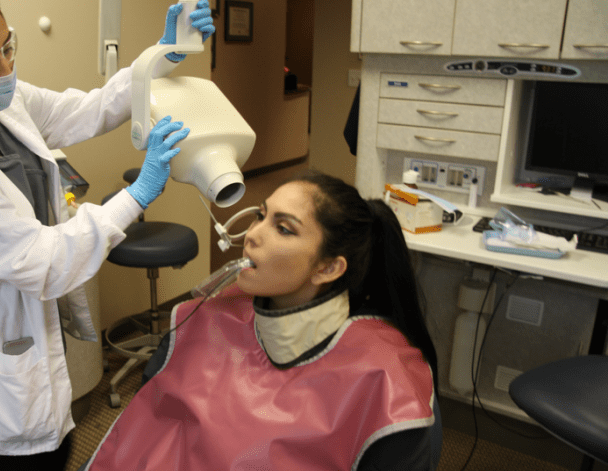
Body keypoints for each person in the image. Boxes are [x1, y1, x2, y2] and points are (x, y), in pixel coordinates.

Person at [0, 0, 214, 468]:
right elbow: (45, 262)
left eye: (8, 46)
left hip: (32, 341)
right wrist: (136, 196)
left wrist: (158, 57)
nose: (5, 67)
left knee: (55, 446)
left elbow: (87, 110)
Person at [85, 170, 441, 471]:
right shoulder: (204, 316)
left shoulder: (384, 383)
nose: (253, 235)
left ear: (328, 267)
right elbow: (147, 424)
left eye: (284, 229)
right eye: (261, 215)